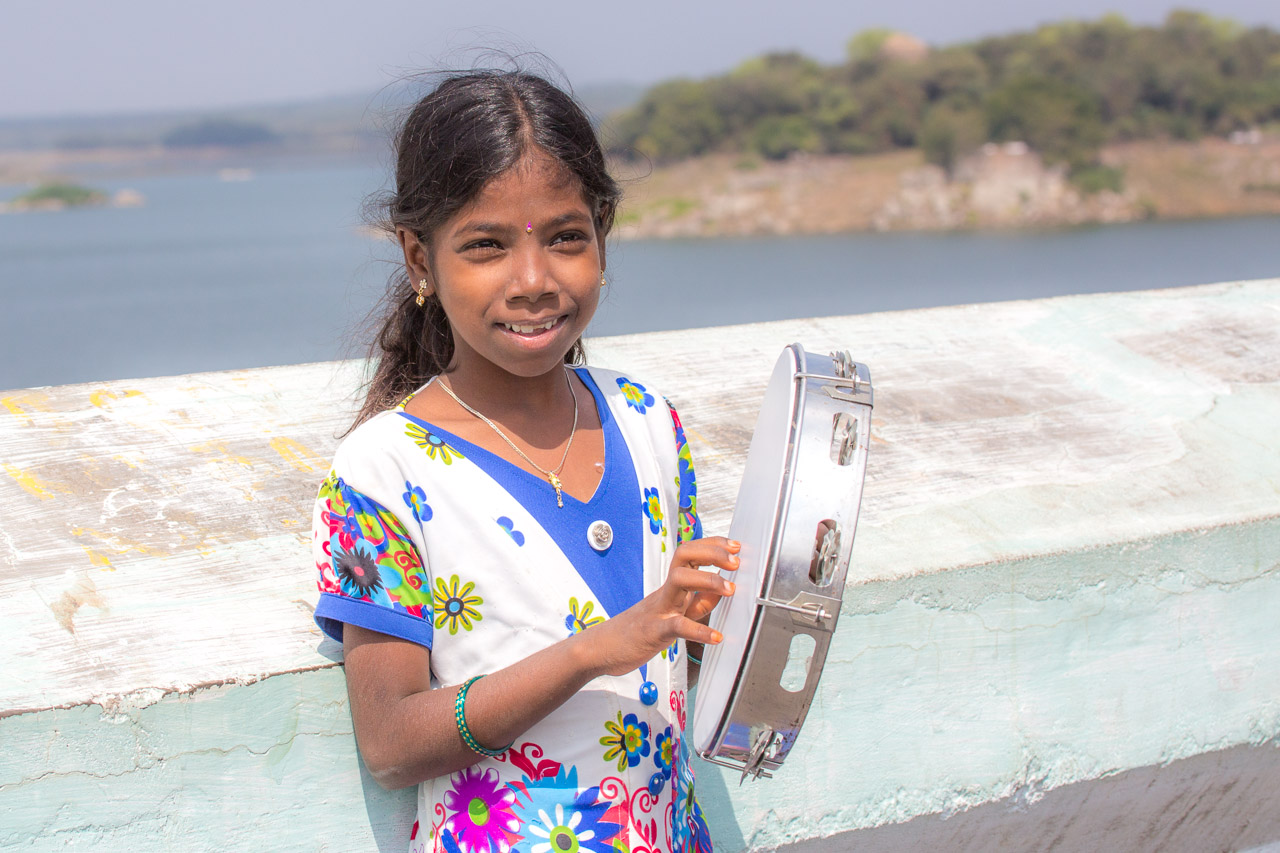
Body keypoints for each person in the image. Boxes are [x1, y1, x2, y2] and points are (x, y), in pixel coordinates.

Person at [310, 69, 738, 853]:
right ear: (419, 260)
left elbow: (678, 657)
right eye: (486, 246)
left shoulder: (646, 418)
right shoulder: (384, 471)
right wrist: (591, 650)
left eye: (566, 237)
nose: (534, 281)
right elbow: (392, 741)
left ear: (602, 236)